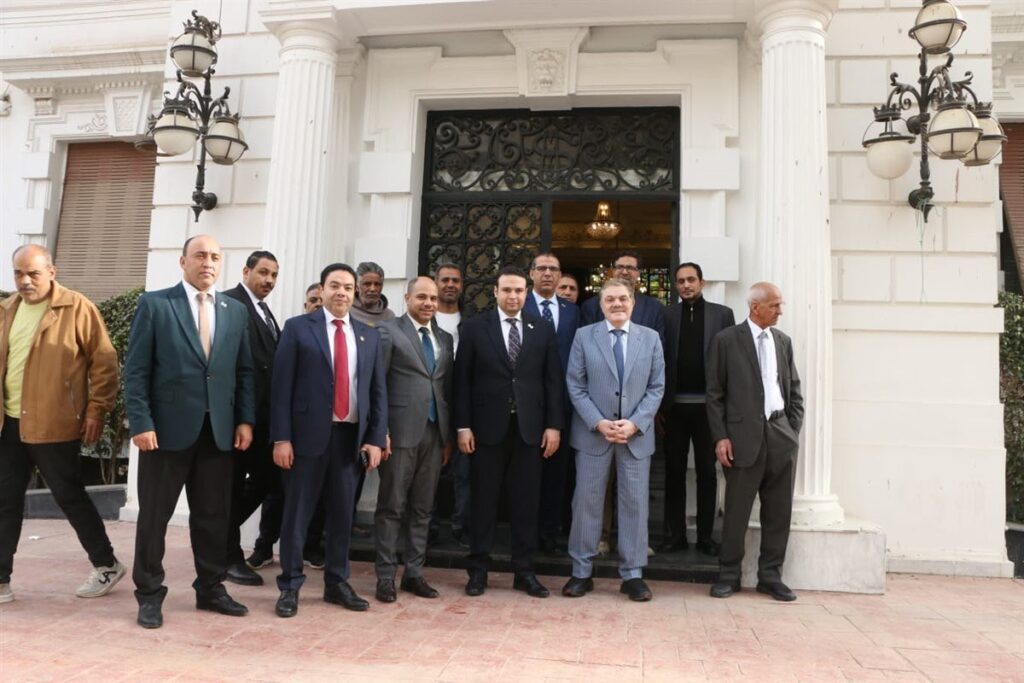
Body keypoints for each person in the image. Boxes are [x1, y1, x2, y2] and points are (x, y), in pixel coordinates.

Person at [123, 234, 255, 629]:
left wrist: (245, 420)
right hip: (164, 433)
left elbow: (244, 371)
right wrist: (141, 422)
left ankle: (211, 588)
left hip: (218, 433)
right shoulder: (155, 304)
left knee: (213, 516)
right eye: (200, 255)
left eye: (215, 256)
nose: (208, 262)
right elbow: (136, 370)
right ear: (183, 262)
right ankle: (149, 593)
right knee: (154, 517)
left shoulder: (235, 311)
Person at [0, 245, 122, 605]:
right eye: (18, 273)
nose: (25, 281)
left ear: (51, 272)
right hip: (9, 424)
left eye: (33, 273)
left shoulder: (77, 307)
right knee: (5, 502)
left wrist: (97, 410)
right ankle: (1, 579)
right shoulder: (7, 309)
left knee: (70, 497)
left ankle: (106, 564)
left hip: (54, 422)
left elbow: (105, 363)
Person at [270, 263, 387, 618]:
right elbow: (281, 388)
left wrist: (375, 438)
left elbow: (377, 392)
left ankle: (337, 582)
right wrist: (281, 438)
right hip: (305, 439)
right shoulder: (297, 328)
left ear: (355, 293)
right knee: (297, 515)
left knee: (341, 515)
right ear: (321, 290)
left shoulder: (368, 335)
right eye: (335, 285)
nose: (341, 292)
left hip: (350, 440)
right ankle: (290, 585)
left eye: (348, 287)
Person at [454, 266, 563, 599]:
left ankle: (524, 571)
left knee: (526, 503)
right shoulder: (474, 328)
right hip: (486, 430)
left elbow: (552, 381)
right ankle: (478, 570)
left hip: (529, 431)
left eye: (518, 290)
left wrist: (553, 425)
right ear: (495, 291)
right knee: (483, 501)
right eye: (506, 290)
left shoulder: (541, 328)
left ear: (526, 293)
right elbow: (462, 381)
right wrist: (463, 425)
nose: (513, 296)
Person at [562, 279, 664, 602]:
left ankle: (632, 575)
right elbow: (575, 384)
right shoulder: (584, 336)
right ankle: (581, 571)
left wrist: (635, 423)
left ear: (633, 302)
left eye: (623, 298)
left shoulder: (651, 338)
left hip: (635, 437)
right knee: (586, 502)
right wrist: (598, 421)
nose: (617, 304)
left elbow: (657, 387)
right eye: (610, 300)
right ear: (601, 305)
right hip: (594, 434)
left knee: (635, 504)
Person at [706, 282, 804, 602]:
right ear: (755, 307)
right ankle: (728, 575)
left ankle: (771, 576)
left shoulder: (783, 341)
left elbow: (794, 390)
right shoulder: (726, 340)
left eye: (780, 304)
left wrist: (791, 430)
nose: (780, 311)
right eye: (774, 305)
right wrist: (721, 436)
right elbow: (714, 395)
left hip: (780, 435)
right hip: (740, 439)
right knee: (736, 512)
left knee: (778, 512)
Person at [374, 277, 454, 602]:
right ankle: (385, 577)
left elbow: (445, 386)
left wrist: (448, 436)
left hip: (435, 434)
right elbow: (377, 384)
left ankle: (414, 574)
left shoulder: (444, 338)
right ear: (407, 297)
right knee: (392, 506)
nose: (429, 303)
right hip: (399, 434)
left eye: (433, 298)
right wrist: (380, 431)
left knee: (423, 508)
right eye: (422, 297)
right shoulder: (388, 331)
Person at [247, 281, 327, 571]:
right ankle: (264, 546)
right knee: (276, 493)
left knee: (318, 495)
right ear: (305, 305)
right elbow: (280, 384)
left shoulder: (336, 337)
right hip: (289, 429)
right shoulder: (294, 332)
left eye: (321, 300)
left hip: (320, 431)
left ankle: (310, 547)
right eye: (313, 300)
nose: (317, 305)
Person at [659, 262, 735, 555]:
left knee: (707, 472)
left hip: (709, 410)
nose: (686, 285)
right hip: (674, 409)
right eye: (680, 281)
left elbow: (730, 361)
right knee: (674, 472)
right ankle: (674, 535)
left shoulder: (722, 314)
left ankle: (705, 537)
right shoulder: (666, 315)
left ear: (702, 283)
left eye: (691, 279)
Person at [221, 251, 280, 587]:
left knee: (268, 480)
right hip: (238, 419)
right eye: (263, 272)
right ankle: (227, 556)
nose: (269, 280)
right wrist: (240, 418)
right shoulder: (229, 303)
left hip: (263, 419)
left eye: (274, 275)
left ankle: (217, 535)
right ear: (246, 271)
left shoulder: (264, 310)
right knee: (231, 487)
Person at [524, 252, 579, 553]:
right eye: (542, 268)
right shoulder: (519, 304)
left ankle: (549, 533)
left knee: (557, 475)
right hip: (527, 405)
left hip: (564, 405)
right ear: (531, 273)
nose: (547, 273)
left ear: (559, 275)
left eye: (553, 269)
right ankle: (525, 534)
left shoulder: (573, 312)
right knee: (526, 474)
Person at [433, 262, 469, 547]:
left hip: (465, 405)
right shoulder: (424, 319)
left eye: (455, 280)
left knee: (465, 470)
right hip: (433, 404)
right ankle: (428, 527)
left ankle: (461, 526)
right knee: (430, 470)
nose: (450, 285)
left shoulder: (472, 322)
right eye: (445, 279)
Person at [579, 251, 665, 340]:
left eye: (630, 268)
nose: (624, 272)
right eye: (620, 267)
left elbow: (658, 343)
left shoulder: (654, 307)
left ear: (638, 272)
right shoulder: (591, 306)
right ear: (613, 271)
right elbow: (586, 341)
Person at [350, 261, 395, 327]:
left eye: (377, 284)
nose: (372, 289)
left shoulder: (389, 316)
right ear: (356, 287)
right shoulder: (345, 312)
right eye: (367, 284)